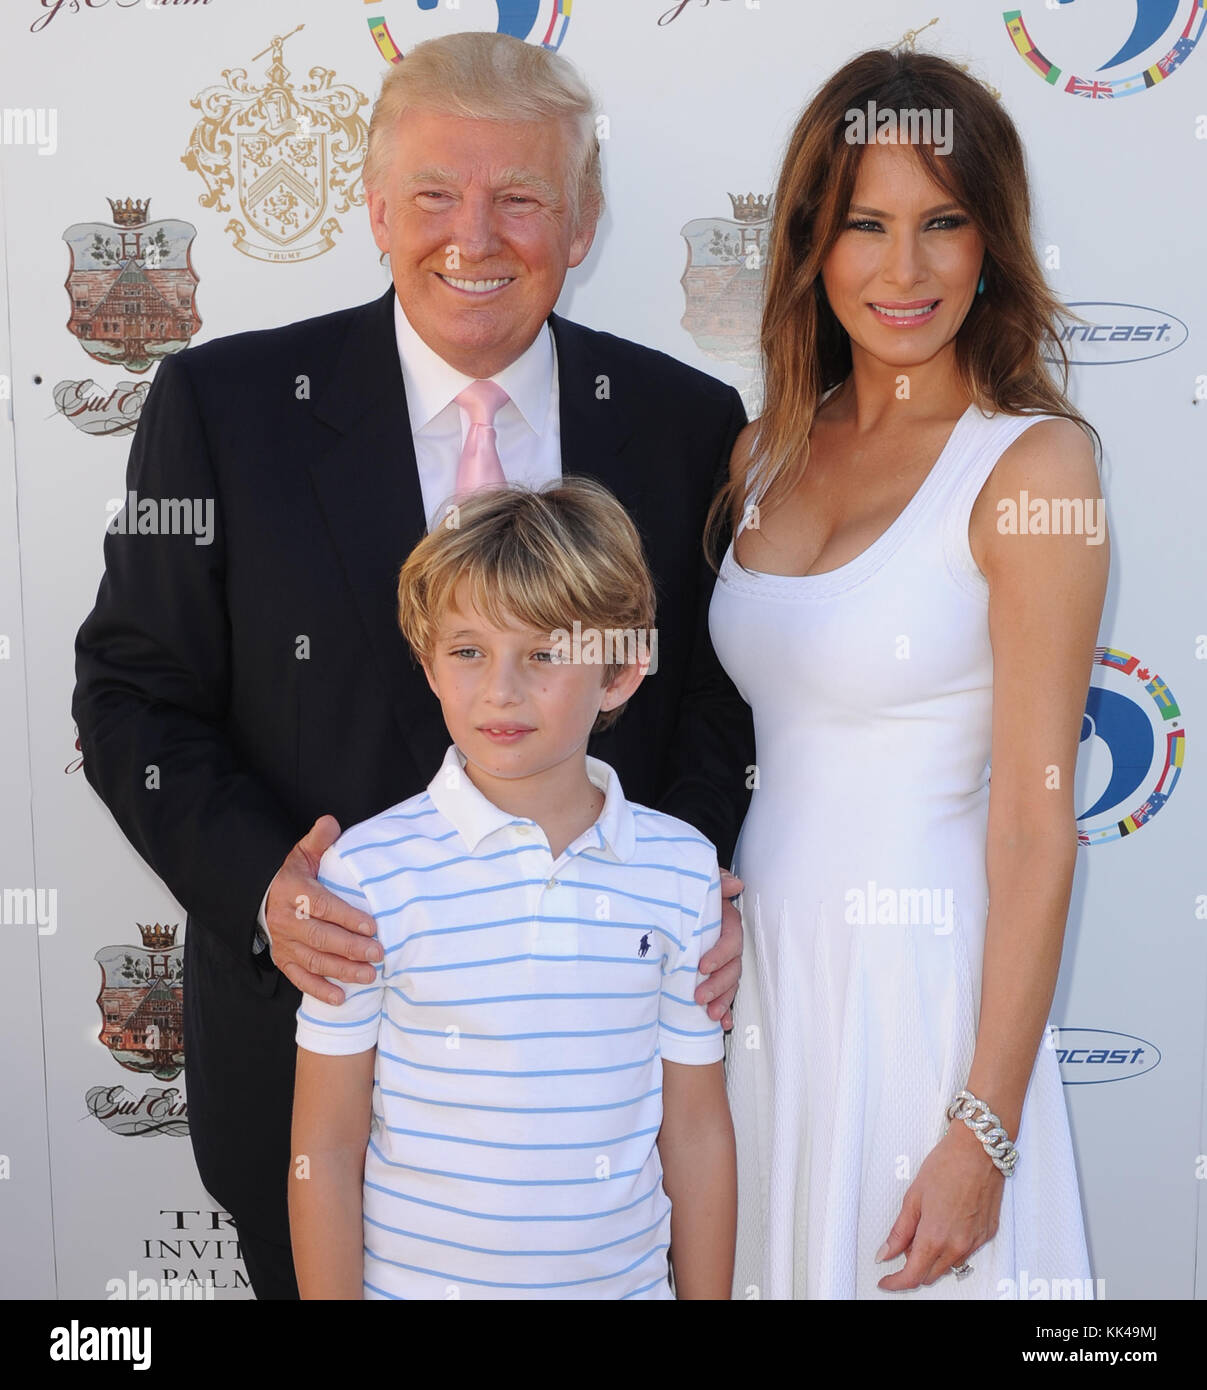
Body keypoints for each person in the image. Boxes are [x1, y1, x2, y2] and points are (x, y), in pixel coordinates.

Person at [71, 32, 753, 1300]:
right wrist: (264, 886)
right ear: (375, 206)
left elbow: (715, 698)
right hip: (305, 1080)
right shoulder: (223, 408)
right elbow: (132, 691)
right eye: (434, 195)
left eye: (521, 198)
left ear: (585, 216)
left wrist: (698, 878)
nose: (472, 236)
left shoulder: (684, 424)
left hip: (594, 1117)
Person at [705, 47, 1109, 1299]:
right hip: (762, 995)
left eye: (944, 222)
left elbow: (1038, 820)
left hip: (922, 996)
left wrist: (982, 1127)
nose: (904, 268)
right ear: (809, 247)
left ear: (992, 241)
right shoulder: (764, 450)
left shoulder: (1035, 467)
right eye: (864, 225)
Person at [289, 478, 737, 1300]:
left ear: (622, 672)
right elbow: (327, 1139)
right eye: (468, 651)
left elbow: (697, 1133)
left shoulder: (680, 872)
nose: (502, 689)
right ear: (427, 665)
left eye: (544, 653)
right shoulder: (369, 872)